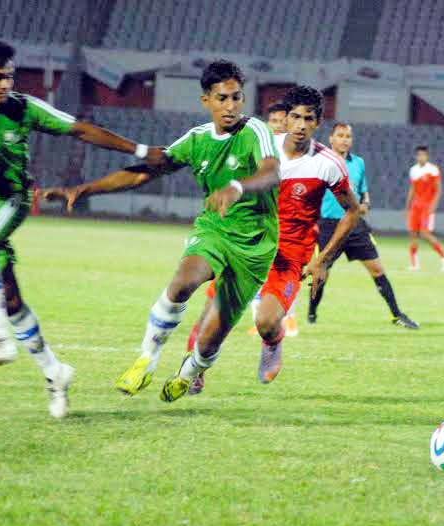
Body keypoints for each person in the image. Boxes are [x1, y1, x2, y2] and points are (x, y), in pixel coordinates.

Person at [44, 60, 283, 403]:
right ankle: (146, 360)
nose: (230, 106)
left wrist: (236, 188)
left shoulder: (254, 131)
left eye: (236, 97)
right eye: (222, 98)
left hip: (256, 245)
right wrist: (84, 190)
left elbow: (271, 173)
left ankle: (190, 372)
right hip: (214, 230)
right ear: (206, 101)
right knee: (184, 281)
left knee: (210, 339)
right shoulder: (197, 139)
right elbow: (145, 172)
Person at [0, 40, 142, 418]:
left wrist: (139, 152)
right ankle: (55, 372)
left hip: (12, 197)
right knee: (10, 299)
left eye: (10, 75)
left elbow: (79, 130)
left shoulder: (23, 108)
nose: (6, 83)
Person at [190, 86, 360, 394]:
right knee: (211, 316)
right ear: (285, 118)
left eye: (308, 119)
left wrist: (323, 259)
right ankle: (195, 372)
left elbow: (353, 211)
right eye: (294, 117)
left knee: (266, 321)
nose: (300, 125)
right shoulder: (262, 149)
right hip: (248, 244)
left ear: (318, 122)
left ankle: (273, 342)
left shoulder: (329, 163)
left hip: (289, 256)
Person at [307, 123, 419, 329]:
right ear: (331, 139)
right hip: (329, 225)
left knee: (377, 269)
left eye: (348, 136)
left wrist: (365, 203)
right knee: (321, 271)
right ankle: (311, 313)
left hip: (355, 224)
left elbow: (363, 190)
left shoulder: (358, 163)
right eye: (340, 135)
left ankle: (397, 314)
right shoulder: (319, 162)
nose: (344, 139)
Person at [406, 146, 444, 271]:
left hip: (427, 206)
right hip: (416, 206)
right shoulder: (413, 170)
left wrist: (433, 205)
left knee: (425, 234)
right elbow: (413, 189)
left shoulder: (433, 170)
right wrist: (407, 205)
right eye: (419, 155)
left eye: (423, 155)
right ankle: (414, 264)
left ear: (427, 156)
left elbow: (438, 189)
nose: (421, 157)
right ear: (416, 156)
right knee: (413, 234)